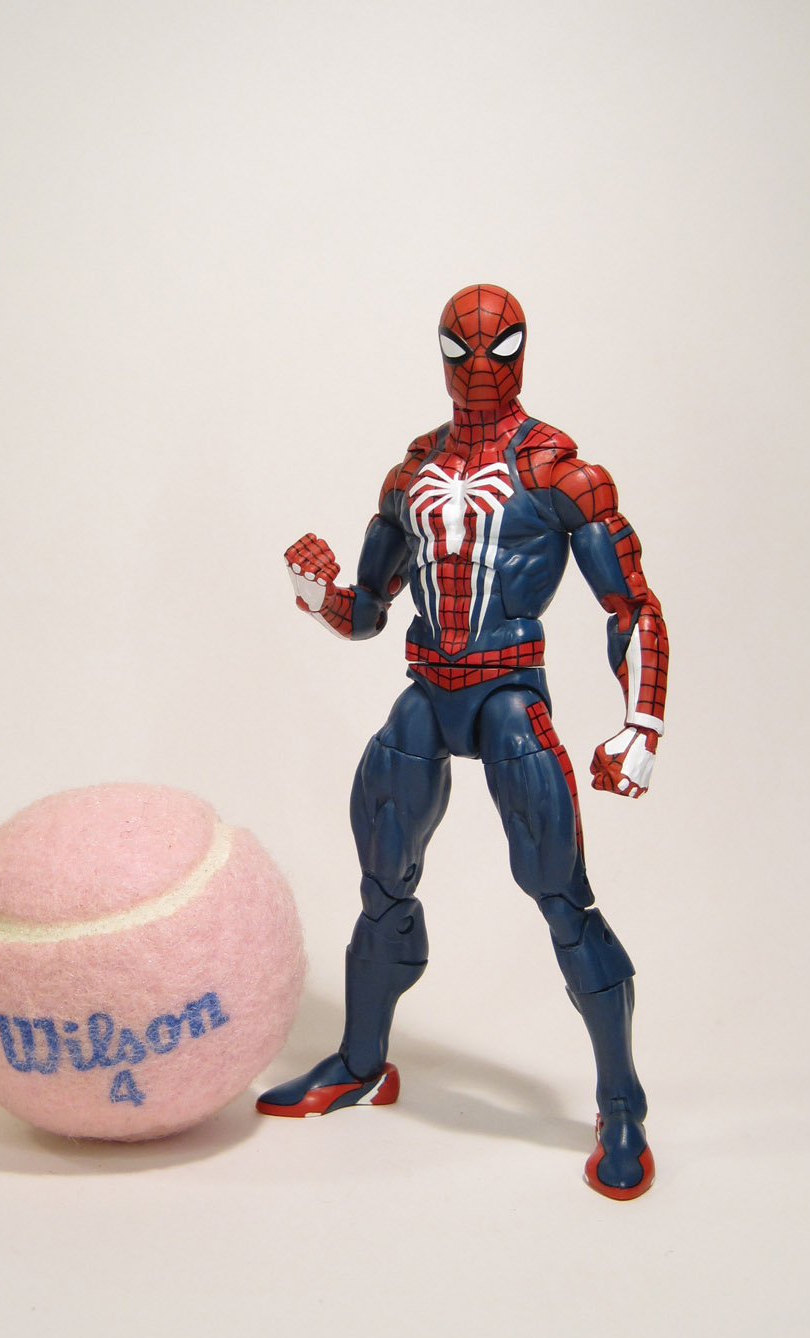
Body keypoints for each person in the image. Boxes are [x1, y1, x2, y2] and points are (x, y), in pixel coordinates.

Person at [256, 284, 668, 1199]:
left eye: (499, 348)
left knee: (562, 898)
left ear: (521, 351)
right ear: (439, 353)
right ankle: (361, 1064)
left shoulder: (559, 472)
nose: (480, 366)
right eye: (461, 349)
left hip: (508, 695)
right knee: (381, 885)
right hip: (426, 694)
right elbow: (368, 613)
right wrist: (315, 594)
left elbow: (629, 606)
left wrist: (641, 723)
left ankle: (621, 1103)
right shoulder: (410, 474)